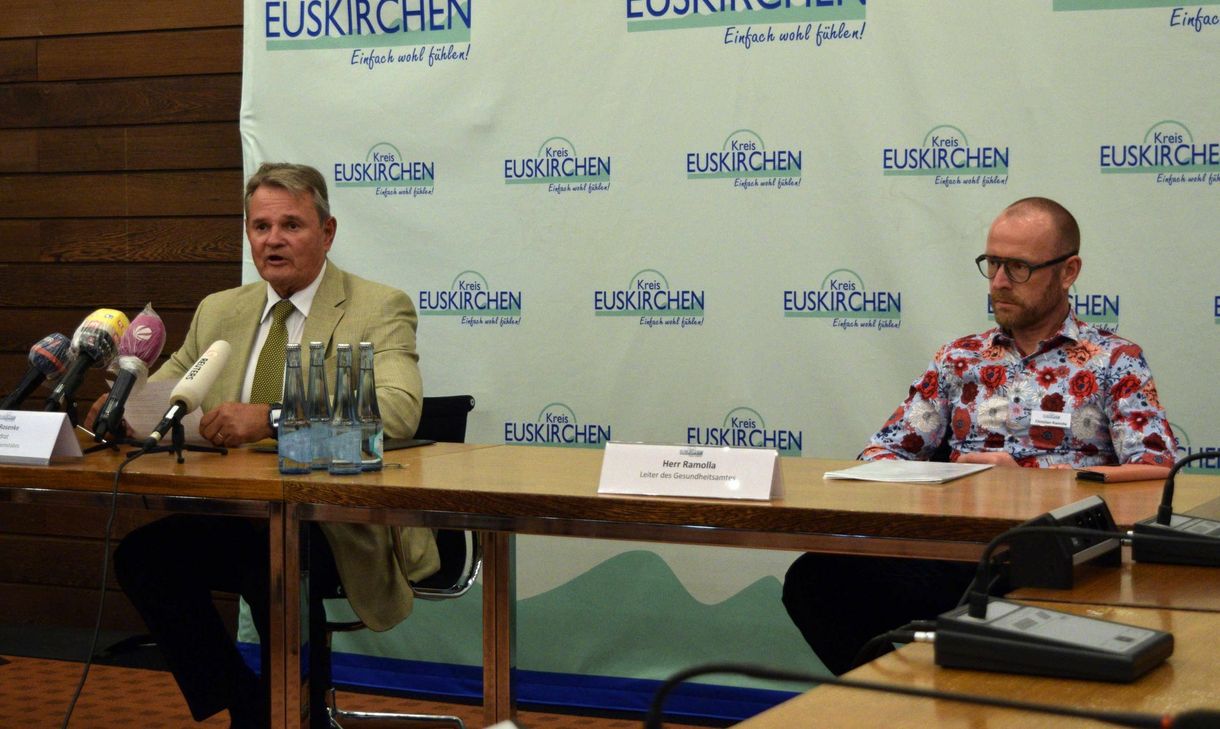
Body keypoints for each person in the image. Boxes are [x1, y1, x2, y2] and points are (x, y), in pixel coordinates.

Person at [92, 163, 439, 728]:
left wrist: (273, 418)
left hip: (335, 522)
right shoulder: (220, 309)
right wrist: (123, 408)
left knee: (268, 559)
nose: (273, 239)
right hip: (240, 512)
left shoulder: (377, 307)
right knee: (144, 557)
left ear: (327, 232)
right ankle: (250, 705)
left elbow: (397, 412)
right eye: (261, 227)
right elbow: (169, 392)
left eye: (291, 225)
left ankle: (293, 712)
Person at [782, 197, 1176, 675]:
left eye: (1018, 267)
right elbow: (882, 451)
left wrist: (1030, 478)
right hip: (957, 550)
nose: (999, 282)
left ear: (1068, 271)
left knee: (1004, 601)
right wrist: (941, 482)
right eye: (992, 264)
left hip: (1053, 554)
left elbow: (1154, 469)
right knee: (815, 578)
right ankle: (907, 700)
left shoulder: (1113, 360)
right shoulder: (960, 358)